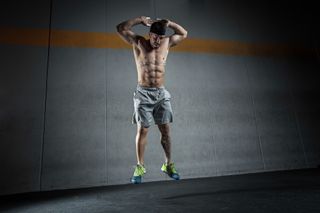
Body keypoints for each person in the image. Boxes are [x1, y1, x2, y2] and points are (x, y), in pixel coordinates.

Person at [116, 16, 188, 184]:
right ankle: (140, 166)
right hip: (143, 93)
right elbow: (120, 28)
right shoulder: (139, 42)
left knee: (166, 131)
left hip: (161, 93)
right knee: (143, 130)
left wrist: (170, 23)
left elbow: (184, 33)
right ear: (150, 34)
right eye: (156, 37)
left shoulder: (167, 43)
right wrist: (139, 20)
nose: (158, 40)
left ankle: (168, 164)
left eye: (161, 37)